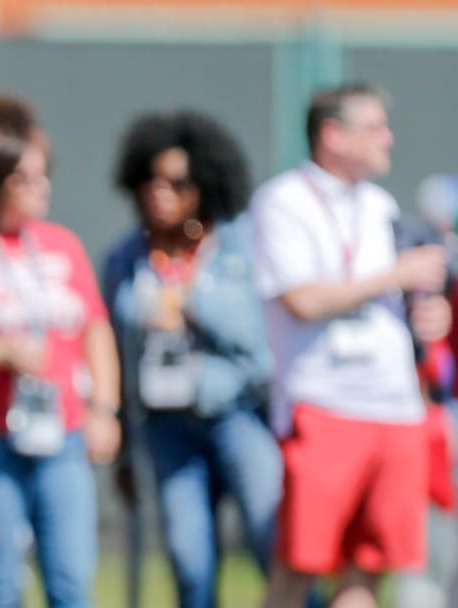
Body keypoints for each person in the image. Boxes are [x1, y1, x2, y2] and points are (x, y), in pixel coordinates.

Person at [250, 82, 451, 608]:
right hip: (324, 404)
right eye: (374, 126)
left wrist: (426, 315)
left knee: (367, 568)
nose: (388, 137)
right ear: (333, 135)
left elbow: (389, 300)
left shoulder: (378, 203)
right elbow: (303, 299)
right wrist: (392, 275)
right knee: (299, 565)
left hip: (395, 406)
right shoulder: (282, 201)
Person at [0, 95, 120, 608]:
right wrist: (3, 350)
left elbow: (95, 328)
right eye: (27, 178)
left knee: (71, 581)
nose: (43, 188)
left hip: (62, 435)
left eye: (44, 174)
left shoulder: (61, 243)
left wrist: (104, 409)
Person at [102, 110, 281, 608]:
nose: (161, 191)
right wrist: (122, 444)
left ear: (205, 184)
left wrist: (193, 304)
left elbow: (259, 340)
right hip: (166, 427)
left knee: (272, 540)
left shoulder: (239, 244)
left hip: (239, 413)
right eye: (151, 179)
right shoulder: (125, 259)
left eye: (178, 182)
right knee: (188, 557)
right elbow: (116, 352)